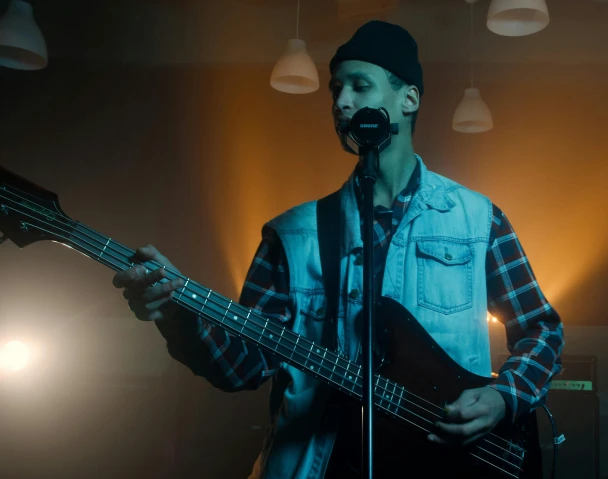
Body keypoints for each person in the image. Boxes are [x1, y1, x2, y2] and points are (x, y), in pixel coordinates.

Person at [112, 20, 563, 479]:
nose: (342, 102)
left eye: (360, 85)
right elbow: (240, 366)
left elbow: (542, 331)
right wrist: (175, 311)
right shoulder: (292, 234)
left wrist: (503, 397)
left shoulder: (477, 219)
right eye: (336, 90)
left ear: (408, 99)